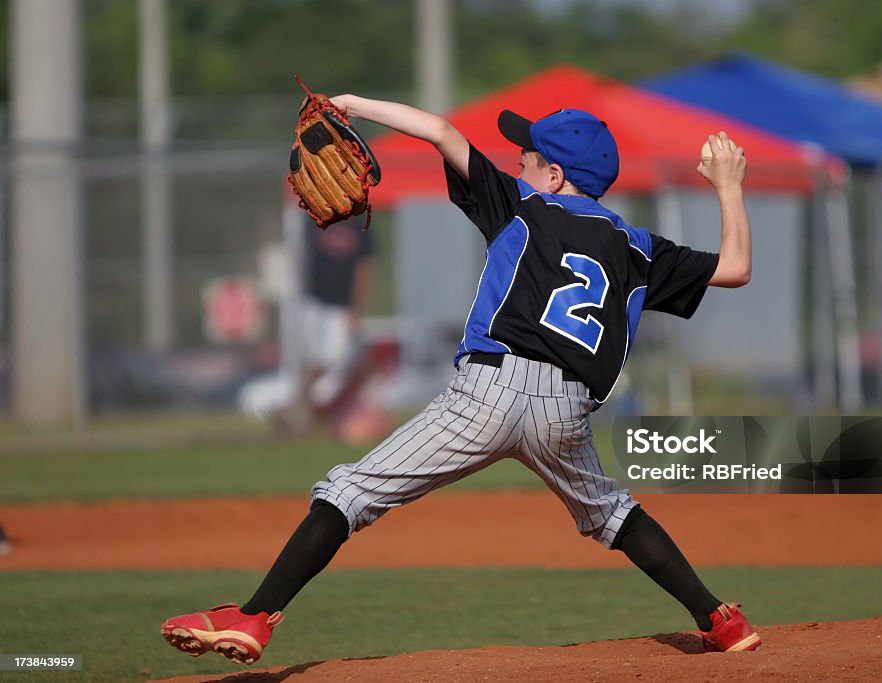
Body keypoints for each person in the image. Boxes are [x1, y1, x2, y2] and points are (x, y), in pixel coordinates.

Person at [162, 95, 758, 665]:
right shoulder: (637, 247)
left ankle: (256, 615)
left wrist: (352, 105)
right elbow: (735, 269)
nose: (517, 162)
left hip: (489, 392)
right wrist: (728, 187)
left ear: (554, 176)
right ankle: (720, 620)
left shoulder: (524, 206)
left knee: (350, 491)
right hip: (566, 409)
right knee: (611, 514)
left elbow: (441, 132)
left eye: (528, 156)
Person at [237, 215, 374, 433]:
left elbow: (364, 270)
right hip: (311, 304)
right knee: (310, 364)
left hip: (340, 308)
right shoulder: (313, 218)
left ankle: (307, 412)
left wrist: (356, 309)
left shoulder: (359, 226)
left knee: (334, 362)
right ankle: (303, 414)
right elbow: (298, 258)